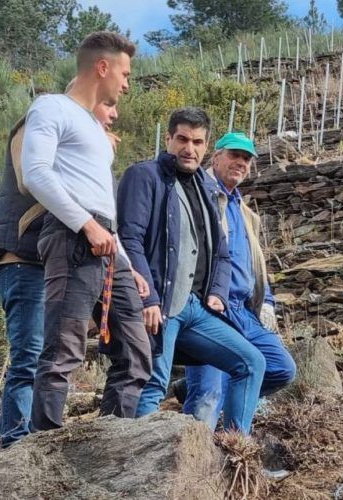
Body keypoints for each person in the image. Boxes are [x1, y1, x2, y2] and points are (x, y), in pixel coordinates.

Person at [0, 84, 139, 445]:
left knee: (51, 350)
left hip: (55, 260)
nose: (114, 115)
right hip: (22, 259)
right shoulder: (34, 124)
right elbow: (29, 180)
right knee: (32, 355)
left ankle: (48, 441)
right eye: (107, 106)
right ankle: (16, 447)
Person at [22, 31, 152, 431]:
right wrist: (87, 225)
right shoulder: (51, 107)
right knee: (64, 348)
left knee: (135, 353)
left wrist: (127, 263)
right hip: (72, 235)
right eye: (125, 73)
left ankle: (109, 443)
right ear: (103, 67)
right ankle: (43, 453)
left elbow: (104, 203)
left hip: (104, 240)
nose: (127, 84)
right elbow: (36, 173)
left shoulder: (96, 129)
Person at [118, 107, 265, 434]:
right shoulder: (144, 176)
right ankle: (142, 468)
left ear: (206, 145)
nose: (189, 148)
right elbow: (129, 239)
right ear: (168, 138)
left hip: (197, 308)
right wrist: (148, 298)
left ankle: (232, 453)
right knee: (153, 384)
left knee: (252, 363)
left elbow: (222, 254)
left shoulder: (206, 188)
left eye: (197, 141)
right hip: (162, 304)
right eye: (182, 139)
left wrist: (216, 293)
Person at [178, 132, 296, 425]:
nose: (241, 163)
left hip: (243, 311)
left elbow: (254, 263)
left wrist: (266, 302)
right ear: (216, 156)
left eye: (246, 158)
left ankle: (229, 453)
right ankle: (195, 467)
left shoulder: (244, 211)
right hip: (211, 309)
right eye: (234, 155)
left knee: (281, 368)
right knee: (206, 395)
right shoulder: (199, 195)